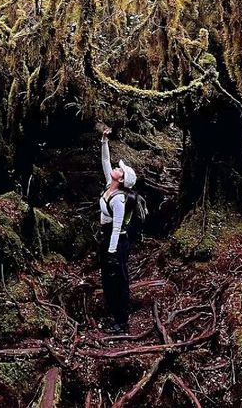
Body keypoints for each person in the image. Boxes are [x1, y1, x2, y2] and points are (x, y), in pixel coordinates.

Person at [98, 127, 137, 334]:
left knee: (119, 279)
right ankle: (113, 315)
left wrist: (112, 252)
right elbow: (105, 162)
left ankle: (122, 322)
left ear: (121, 180)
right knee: (107, 278)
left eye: (120, 170)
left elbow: (117, 227)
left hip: (117, 243)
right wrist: (104, 140)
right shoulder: (109, 185)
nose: (116, 168)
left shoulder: (120, 199)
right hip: (106, 240)